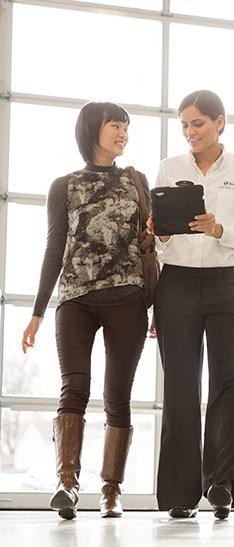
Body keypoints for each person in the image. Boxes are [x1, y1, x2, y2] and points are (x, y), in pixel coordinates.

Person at [21, 102, 150, 520]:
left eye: (126, 125)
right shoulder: (64, 185)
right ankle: (67, 484)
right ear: (93, 128)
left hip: (128, 298)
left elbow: (153, 247)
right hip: (75, 299)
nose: (123, 132)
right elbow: (54, 248)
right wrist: (38, 311)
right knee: (74, 387)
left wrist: (159, 304)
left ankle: (111, 490)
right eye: (116, 124)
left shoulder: (137, 181)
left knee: (118, 395)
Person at [149, 90, 234, 520]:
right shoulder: (168, 168)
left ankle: (221, 482)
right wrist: (157, 232)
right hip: (175, 284)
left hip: (228, 285)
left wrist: (219, 229)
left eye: (197, 123)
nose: (190, 132)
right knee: (179, 387)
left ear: (220, 122)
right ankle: (180, 494)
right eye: (184, 125)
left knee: (225, 386)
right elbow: (161, 242)